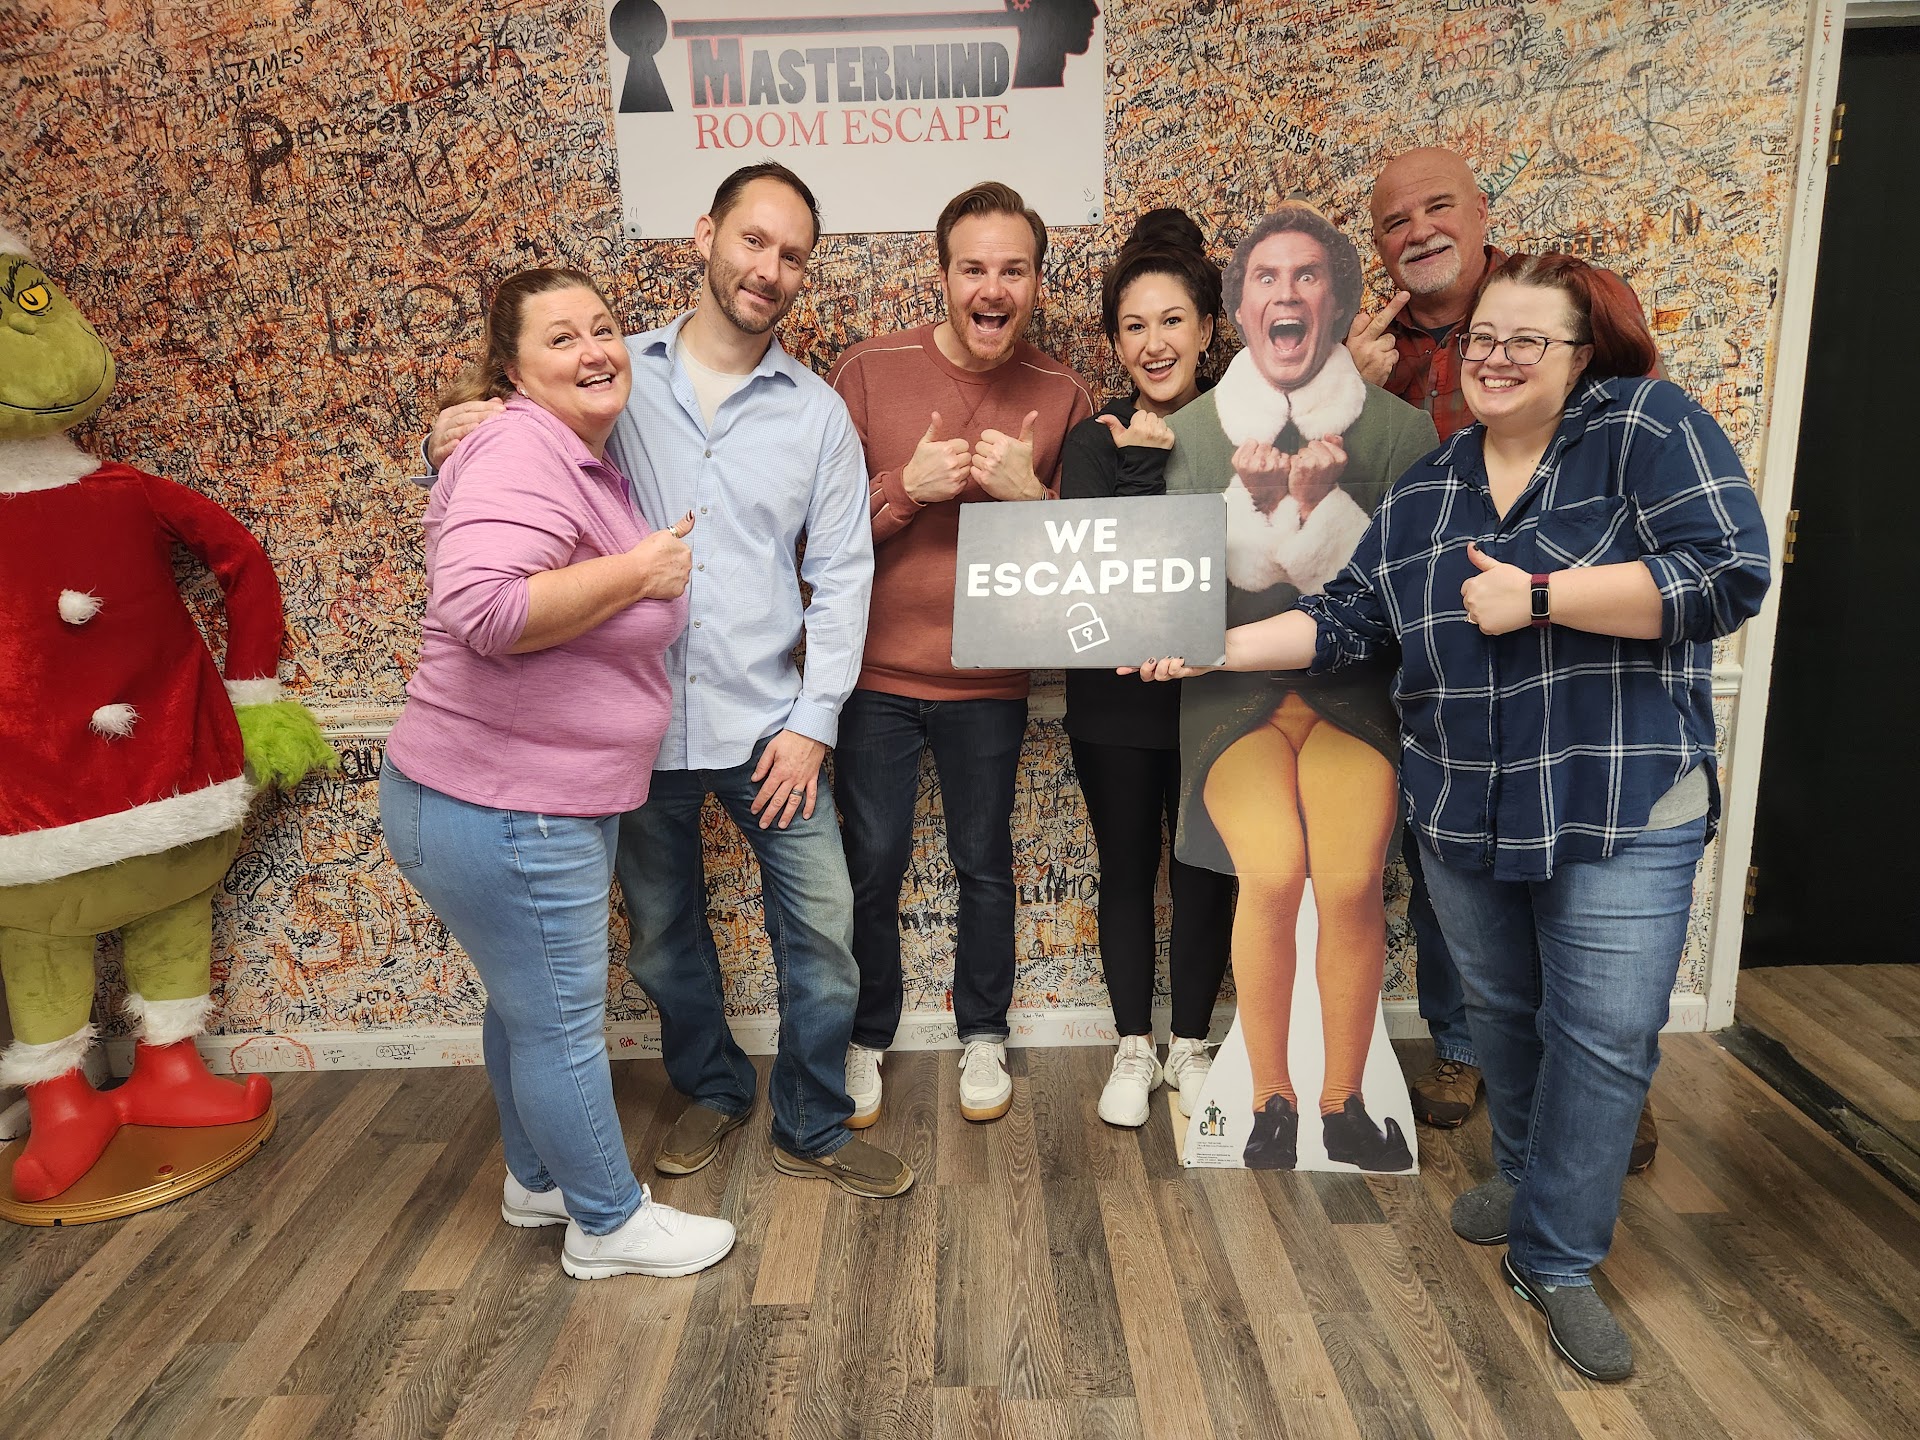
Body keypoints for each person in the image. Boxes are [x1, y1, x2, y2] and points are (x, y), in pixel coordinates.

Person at [1139, 253, 1770, 1378]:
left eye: (1528, 340)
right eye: (1483, 337)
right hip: (1468, 807)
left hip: (1622, 800)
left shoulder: (1642, 428)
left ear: (1583, 353)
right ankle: (1525, 1179)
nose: (1496, 357)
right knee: (1505, 1018)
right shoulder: (1431, 486)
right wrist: (1211, 647)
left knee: (1607, 1034)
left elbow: (1728, 573)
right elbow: (1345, 620)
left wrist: (1542, 597)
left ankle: (1557, 1257)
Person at [426, 164, 913, 1201]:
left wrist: (814, 723)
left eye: (792, 255)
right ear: (705, 236)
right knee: (661, 942)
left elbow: (843, 577)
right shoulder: (609, 374)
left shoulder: (818, 417)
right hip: (630, 735)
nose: (769, 269)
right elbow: (512, 468)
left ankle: (813, 1123)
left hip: (767, 728)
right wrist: (455, 434)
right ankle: (715, 1088)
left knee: (825, 933)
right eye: (753, 241)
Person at [384, 267, 736, 1281]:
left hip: (495, 796)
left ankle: (537, 1179)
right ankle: (607, 1224)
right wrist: (640, 570)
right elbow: (484, 608)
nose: (593, 350)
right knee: (561, 1026)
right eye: (561, 338)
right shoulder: (522, 446)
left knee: (523, 1007)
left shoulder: (560, 449)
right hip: (506, 805)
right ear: (511, 369)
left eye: (603, 328)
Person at [1345, 148, 1664, 1168]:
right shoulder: (1368, 350)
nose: (1418, 231)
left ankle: (1600, 1082)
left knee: (1579, 889)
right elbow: (1359, 524)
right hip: (1436, 663)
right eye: (1394, 222)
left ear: (1482, 214)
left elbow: (1661, 505)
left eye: (1437, 207)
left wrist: (1546, 595)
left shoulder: (1559, 311)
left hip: (1572, 670)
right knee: (1452, 862)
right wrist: (1352, 397)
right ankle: (1463, 1047)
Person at [1160, 201, 1437, 1172]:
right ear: (1240, 308)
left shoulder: (1402, 434)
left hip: (1353, 699)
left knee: (1351, 879)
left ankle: (1341, 1104)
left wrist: (1320, 512)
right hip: (1229, 704)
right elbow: (1176, 595)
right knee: (1273, 873)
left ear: (1336, 299)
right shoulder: (1188, 436)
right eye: (1266, 277)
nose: (1286, 292)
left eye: (1307, 274)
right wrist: (1249, 517)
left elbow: (1406, 596)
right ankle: (1270, 1102)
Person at [828, 181, 1094, 1126]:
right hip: (874, 679)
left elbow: (1092, 563)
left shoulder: (1062, 393)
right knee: (871, 862)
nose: (993, 287)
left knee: (985, 861)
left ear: (1035, 283)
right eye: (974, 268)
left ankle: (984, 1032)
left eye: (1013, 269)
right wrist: (905, 489)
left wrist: (1034, 502)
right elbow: (814, 541)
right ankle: (864, 1036)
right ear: (941, 277)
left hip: (991, 679)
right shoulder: (868, 371)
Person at [1059, 208, 1235, 1126]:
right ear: (1114, 340)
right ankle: (1134, 1045)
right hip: (1114, 701)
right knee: (1124, 867)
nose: (1153, 343)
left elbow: (1252, 567)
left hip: (1220, 693)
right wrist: (1136, 466)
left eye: (1172, 321)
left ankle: (1193, 1043)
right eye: (1133, 326)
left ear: (1207, 329)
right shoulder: (1093, 440)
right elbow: (1100, 582)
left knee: (1207, 870)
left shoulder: (1246, 432)